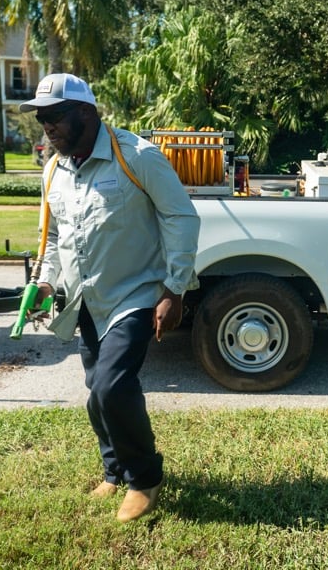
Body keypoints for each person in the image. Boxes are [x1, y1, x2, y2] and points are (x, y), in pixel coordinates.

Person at [20, 72, 199, 523]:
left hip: (136, 293)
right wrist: (46, 283)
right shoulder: (54, 170)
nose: (48, 127)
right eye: (42, 119)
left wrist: (174, 288)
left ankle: (145, 478)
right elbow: (57, 234)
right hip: (87, 300)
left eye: (55, 116)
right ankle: (114, 470)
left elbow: (181, 216)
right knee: (95, 392)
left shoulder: (137, 156)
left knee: (112, 386)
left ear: (87, 112)